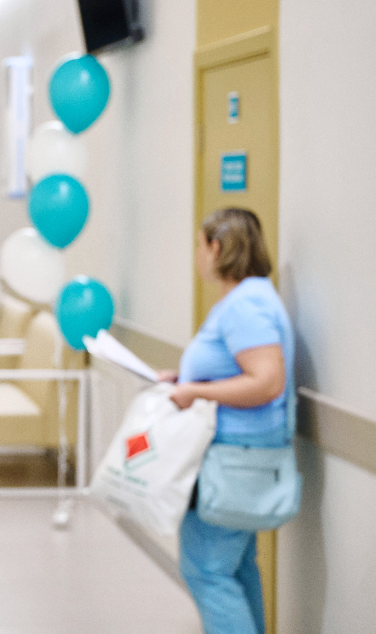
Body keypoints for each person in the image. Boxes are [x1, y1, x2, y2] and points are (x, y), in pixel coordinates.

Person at [157, 208, 293, 634]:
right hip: (241, 455)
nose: (198, 255)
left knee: (206, 570)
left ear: (216, 248)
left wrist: (197, 392)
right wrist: (186, 380)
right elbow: (242, 370)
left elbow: (267, 381)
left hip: (236, 456)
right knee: (236, 567)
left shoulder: (245, 306)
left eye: (200, 246)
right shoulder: (250, 298)